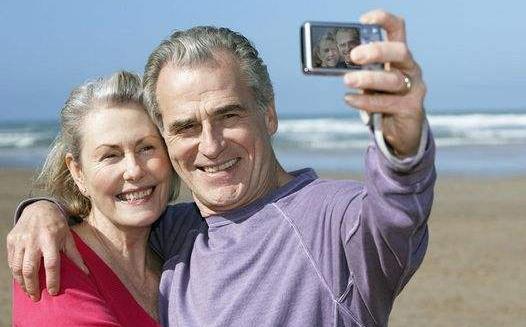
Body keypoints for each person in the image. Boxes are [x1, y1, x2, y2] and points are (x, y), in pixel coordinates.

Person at [8, 10, 435, 326]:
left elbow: (396, 213)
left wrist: (401, 142)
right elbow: (110, 212)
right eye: (186, 127)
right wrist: (44, 210)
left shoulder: (333, 221)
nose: (210, 145)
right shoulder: (172, 231)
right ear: (170, 142)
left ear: (268, 113)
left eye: (229, 116)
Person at [11, 71, 178, 326]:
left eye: (147, 148)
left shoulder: (180, 249)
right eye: (110, 155)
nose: (134, 170)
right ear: (77, 172)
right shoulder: (50, 264)